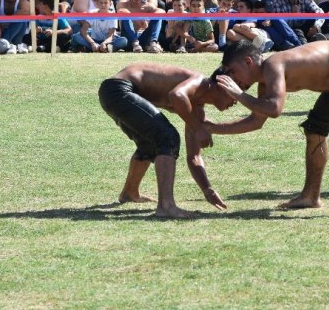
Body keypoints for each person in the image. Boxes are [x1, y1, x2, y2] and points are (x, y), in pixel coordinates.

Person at [207, 40, 329, 217]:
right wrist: (212, 128)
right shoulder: (265, 82)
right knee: (315, 129)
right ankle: (311, 196)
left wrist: (239, 94)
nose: (232, 79)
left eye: (231, 71)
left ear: (248, 62)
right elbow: (256, 122)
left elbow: (274, 109)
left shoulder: (273, 64)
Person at [99, 63, 237, 218]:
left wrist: (207, 189)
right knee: (168, 137)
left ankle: (130, 192)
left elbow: (194, 157)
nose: (237, 100)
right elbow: (176, 95)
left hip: (114, 94)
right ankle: (166, 206)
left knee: (149, 144)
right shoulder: (198, 81)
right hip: (118, 89)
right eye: (235, 92)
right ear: (221, 86)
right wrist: (198, 128)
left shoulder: (196, 110)